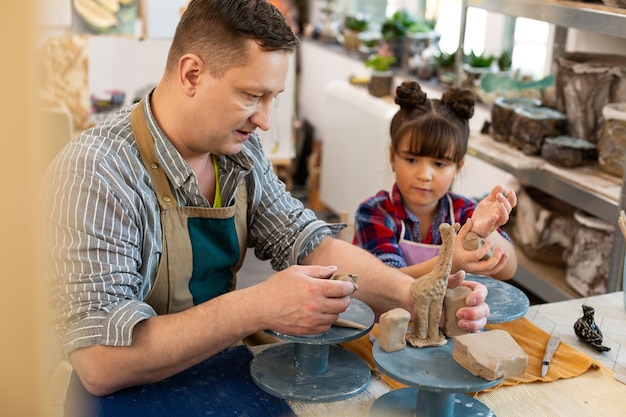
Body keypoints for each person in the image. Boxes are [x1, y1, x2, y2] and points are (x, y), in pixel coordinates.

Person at [42, 0, 489, 397]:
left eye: (273, 97)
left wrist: (411, 295)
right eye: (251, 96)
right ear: (192, 73)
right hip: (117, 399)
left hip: (213, 367)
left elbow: (304, 239)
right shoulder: (96, 172)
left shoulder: (238, 150)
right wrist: (258, 305)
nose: (266, 120)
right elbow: (100, 363)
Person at [353, 80, 518, 282]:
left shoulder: (462, 212)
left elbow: (507, 270)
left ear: (458, 167)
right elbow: (389, 283)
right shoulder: (374, 213)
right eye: (412, 160)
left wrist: (482, 230)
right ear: (392, 157)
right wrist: (451, 262)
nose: (424, 175)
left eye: (439, 164)